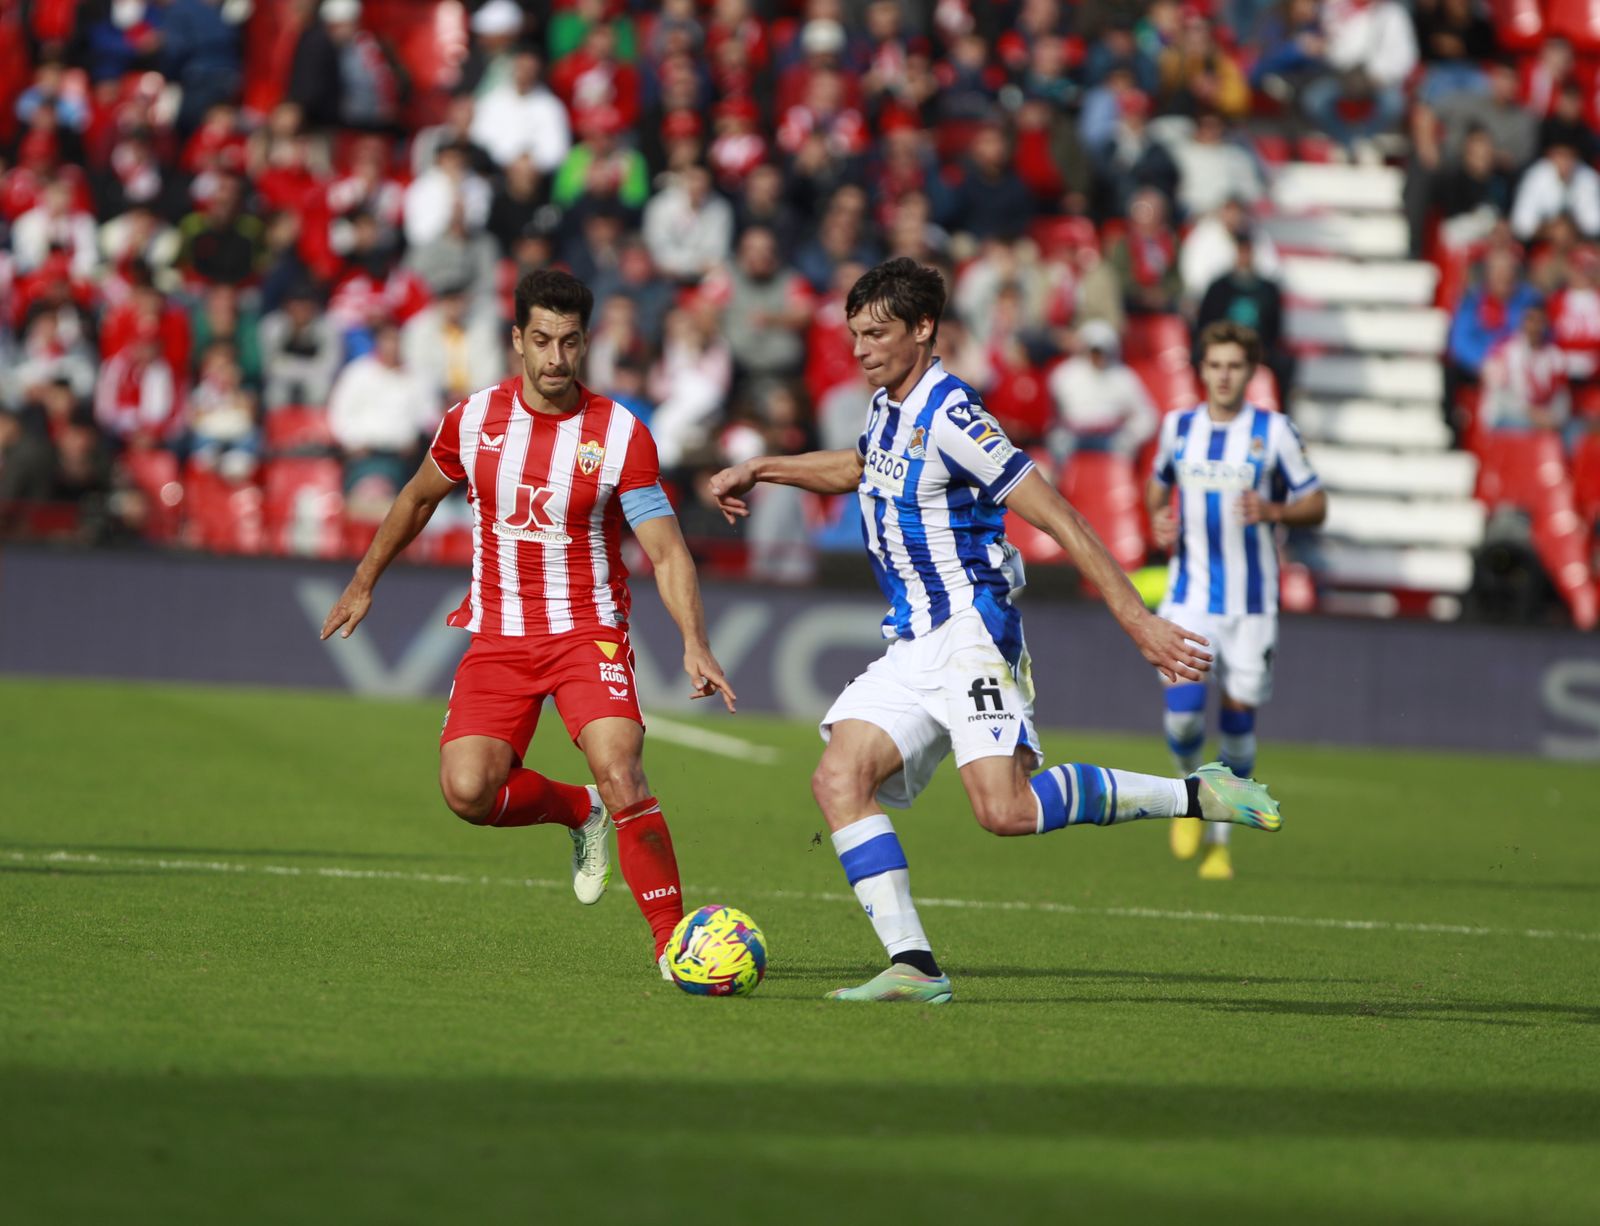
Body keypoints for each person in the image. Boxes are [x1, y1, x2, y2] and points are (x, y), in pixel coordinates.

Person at [708, 259, 1284, 1005]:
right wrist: (763, 467)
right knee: (838, 777)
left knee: (1005, 811)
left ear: (923, 330)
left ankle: (1193, 796)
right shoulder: (889, 405)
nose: (861, 349)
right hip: (914, 640)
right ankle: (913, 965)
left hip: (972, 632)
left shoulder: (956, 417)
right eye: (854, 335)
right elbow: (860, 466)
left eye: (877, 333)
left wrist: (1137, 620)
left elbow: (1059, 516)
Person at [320, 269, 736, 976]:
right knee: (468, 791)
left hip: (587, 632)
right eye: (541, 340)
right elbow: (418, 499)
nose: (555, 358)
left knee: (621, 768)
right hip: (501, 635)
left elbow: (665, 550)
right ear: (517, 340)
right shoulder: (474, 420)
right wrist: (364, 582)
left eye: (569, 342)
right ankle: (577, 812)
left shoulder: (620, 433)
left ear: (586, 344)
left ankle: (673, 943)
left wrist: (695, 642)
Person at [1145, 321, 1326, 880]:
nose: (1224, 375)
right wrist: (1158, 516)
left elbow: (1316, 503)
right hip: (1189, 595)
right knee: (1182, 716)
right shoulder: (1178, 427)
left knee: (1240, 727)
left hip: (1252, 604)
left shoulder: (1273, 432)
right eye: (1215, 364)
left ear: (1250, 373)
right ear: (1201, 369)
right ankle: (1189, 793)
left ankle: (1220, 839)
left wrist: (1274, 512)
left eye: (1235, 366)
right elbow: (1156, 484)